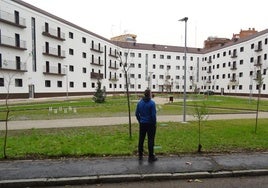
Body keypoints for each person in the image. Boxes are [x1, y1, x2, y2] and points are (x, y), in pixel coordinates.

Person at [135, 89, 157, 162]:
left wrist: (140, 120)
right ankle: (151, 157)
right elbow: (153, 115)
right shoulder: (152, 103)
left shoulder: (140, 103)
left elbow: (136, 114)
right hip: (150, 124)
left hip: (142, 123)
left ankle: (140, 155)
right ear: (149, 94)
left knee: (141, 139)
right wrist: (154, 123)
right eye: (151, 93)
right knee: (150, 140)